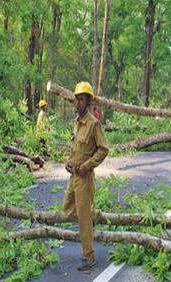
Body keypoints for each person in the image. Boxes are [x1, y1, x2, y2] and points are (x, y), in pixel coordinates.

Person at [63, 81, 109, 271]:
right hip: (73, 176)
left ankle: (88, 256)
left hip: (85, 178)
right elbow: (74, 148)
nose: (78, 102)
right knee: (67, 208)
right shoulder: (76, 122)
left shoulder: (93, 124)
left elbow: (103, 149)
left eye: (82, 99)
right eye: (77, 99)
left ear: (89, 101)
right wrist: (68, 159)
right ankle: (94, 216)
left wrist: (88, 165)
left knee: (82, 219)